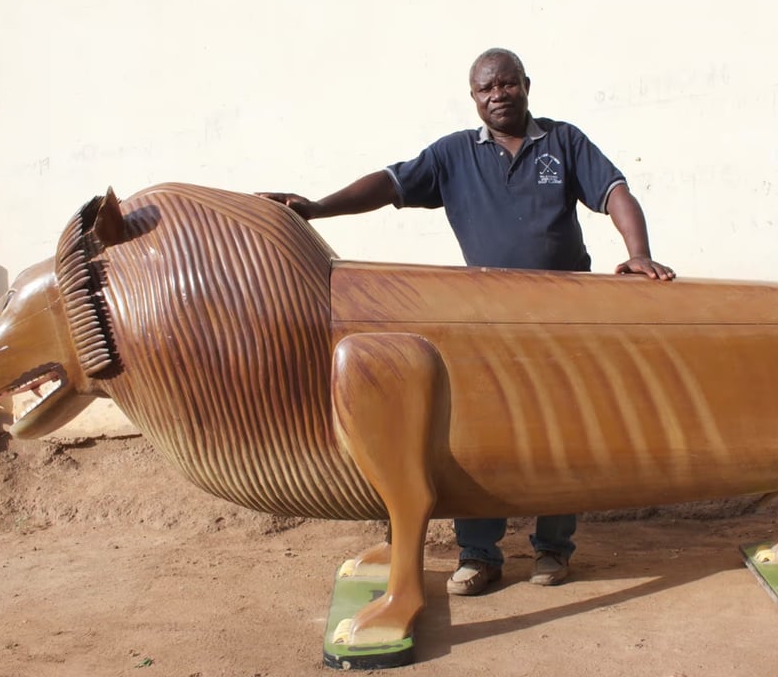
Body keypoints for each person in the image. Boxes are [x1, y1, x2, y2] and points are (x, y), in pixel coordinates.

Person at [259, 47, 675, 596]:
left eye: (507, 83)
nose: (498, 94)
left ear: (526, 84)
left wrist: (638, 253)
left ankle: (553, 549)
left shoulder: (564, 141)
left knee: (562, 431)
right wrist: (317, 207)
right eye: (486, 88)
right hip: (484, 321)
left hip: (564, 317)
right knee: (480, 436)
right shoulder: (453, 155)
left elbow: (615, 193)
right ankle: (479, 556)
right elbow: (389, 184)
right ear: (474, 97)